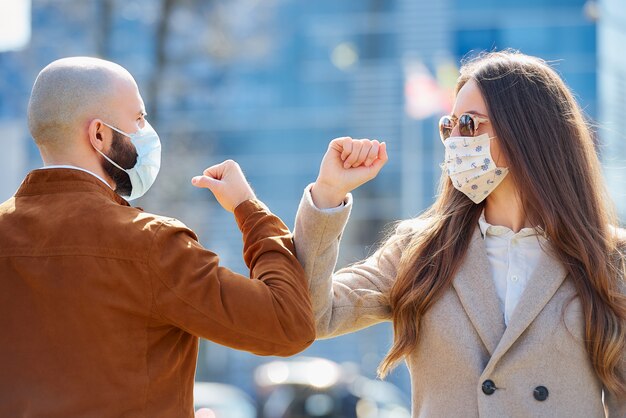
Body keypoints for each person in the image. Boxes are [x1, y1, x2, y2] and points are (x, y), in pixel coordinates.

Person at [293, 50, 626, 417]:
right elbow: (312, 314)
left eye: (468, 123)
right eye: (448, 126)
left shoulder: (610, 258)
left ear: (528, 132)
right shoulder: (421, 250)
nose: (454, 140)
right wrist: (327, 195)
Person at [0, 57, 315, 417]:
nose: (146, 130)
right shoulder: (149, 244)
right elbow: (287, 323)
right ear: (99, 134)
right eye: (138, 118)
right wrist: (248, 209)